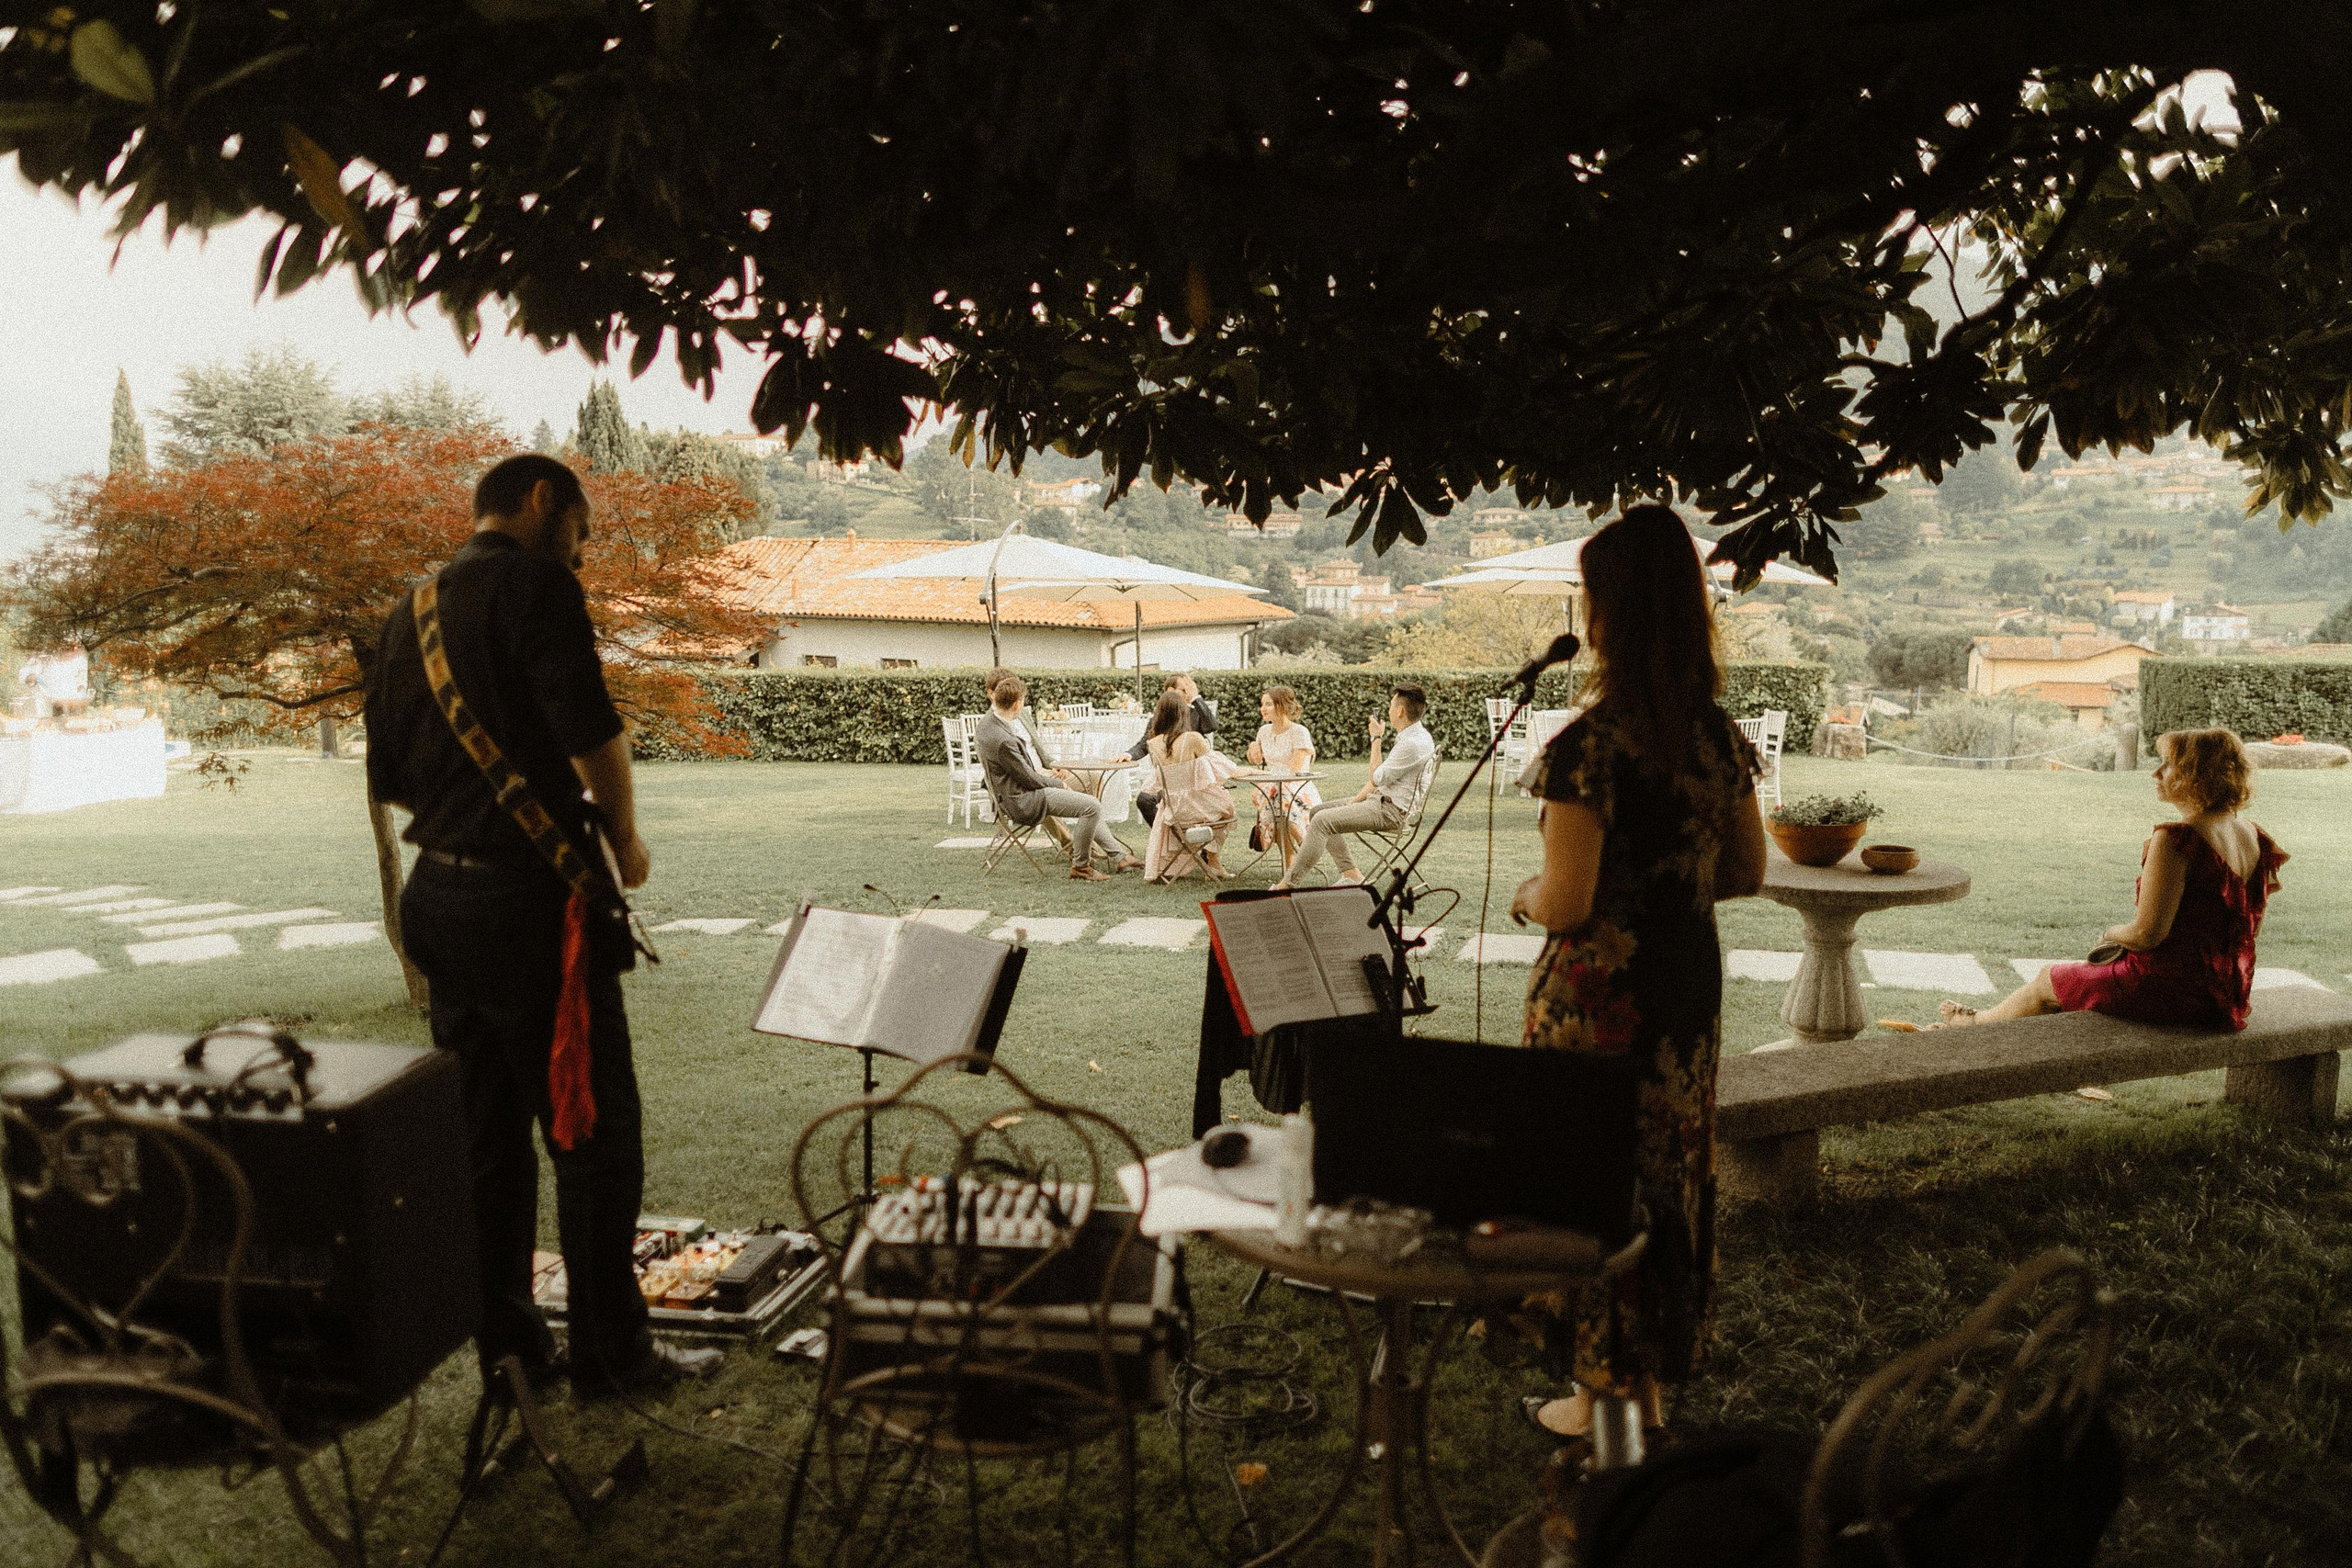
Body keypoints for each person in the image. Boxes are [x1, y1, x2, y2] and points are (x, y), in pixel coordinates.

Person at [364, 453, 720, 1398]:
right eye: (580, 525)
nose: (583, 548)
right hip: (529, 908)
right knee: (594, 1134)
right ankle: (613, 1355)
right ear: (537, 503)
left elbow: (391, 774)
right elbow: (591, 730)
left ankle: (511, 1356)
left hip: (437, 897)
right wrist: (627, 841)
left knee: (485, 1142)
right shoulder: (537, 587)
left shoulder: (413, 609)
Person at [1506, 503, 1767, 1443]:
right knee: (1666, 1180)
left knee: (1594, 1186)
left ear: (1605, 612)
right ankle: (1640, 1392)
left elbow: (1568, 903)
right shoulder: (1717, 737)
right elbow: (1746, 872)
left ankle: (1606, 1399)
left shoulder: (1588, 749)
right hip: (1684, 988)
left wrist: (1528, 894)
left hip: (1599, 1004)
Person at [1939, 728, 2285, 1031]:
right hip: (2224, 992)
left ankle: (1971, 1027)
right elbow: (2248, 930)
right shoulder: (2251, 834)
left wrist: (2109, 934)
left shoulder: (2178, 839)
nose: (2156, 772)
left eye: (2168, 765)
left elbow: (2147, 934)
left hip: (2169, 993)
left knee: (2048, 981)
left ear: (2196, 774)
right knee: (2066, 983)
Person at [973, 675, 1142, 880]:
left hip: (1017, 793)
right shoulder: (1003, 740)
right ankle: (1081, 866)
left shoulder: (986, 725)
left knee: (1089, 803)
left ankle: (1118, 856)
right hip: (1024, 799)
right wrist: (1058, 783)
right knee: (1092, 806)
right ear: (1018, 704)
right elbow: (1029, 779)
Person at [1271, 683, 1436, 889]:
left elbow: (1375, 778)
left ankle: (1288, 884)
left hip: (1391, 811)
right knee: (1318, 811)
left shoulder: (1410, 744)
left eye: (1392, 706)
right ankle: (1352, 874)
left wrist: (1376, 738)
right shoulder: (1418, 736)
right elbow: (1379, 783)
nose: (1389, 710)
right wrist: (1355, 800)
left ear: (1400, 711)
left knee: (1322, 820)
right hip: (1383, 801)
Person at [1141, 689, 1238, 881]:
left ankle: (1213, 863)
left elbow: (1156, 783)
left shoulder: (1152, 744)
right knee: (1228, 811)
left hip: (1173, 812)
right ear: (1182, 714)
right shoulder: (1192, 738)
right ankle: (1212, 861)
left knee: (1218, 805)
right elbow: (1222, 768)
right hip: (1195, 809)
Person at [984, 667, 1072, 852]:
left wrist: (1056, 766)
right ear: (991, 693)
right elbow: (1011, 774)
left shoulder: (1022, 713)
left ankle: (1086, 837)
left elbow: (1039, 747)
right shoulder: (989, 727)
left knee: (1092, 779)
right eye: (1003, 688)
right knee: (1043, 796)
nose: (1009, 691)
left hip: (1043, 772)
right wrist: (1045, 779)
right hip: (1023, 782)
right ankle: (1073, 845)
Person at [1128, 672, 1217, 825]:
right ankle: (1168, 833)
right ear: (1170, 690)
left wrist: (1196, 698)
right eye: (1183, 690)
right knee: (1144, 800)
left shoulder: (1196, 714)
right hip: (1168, 781)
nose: (1187, 693)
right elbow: (1145, 744)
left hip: (1193, 780)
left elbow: (1211, 726)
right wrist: (1128, 755)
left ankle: (1190, 836)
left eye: (1189, 690)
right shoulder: (1158, 718)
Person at [1246, 685, 1320, 862]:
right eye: (1262, 704)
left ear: (1282, 706)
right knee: (1276, 797)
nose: (1263, 709)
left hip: (1298, 787)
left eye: (1269, 704)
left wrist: (1272, 785)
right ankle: (1301, 850)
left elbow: (1294, 770)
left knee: (1279, 799)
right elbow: (1254, 761)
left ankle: (1298, 850)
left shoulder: (1299, 732)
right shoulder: (1263, 731)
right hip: (1274, 788)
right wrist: (1252, 747)